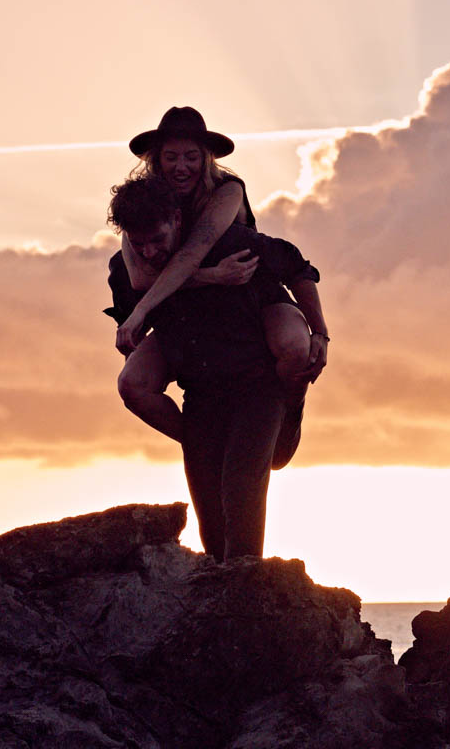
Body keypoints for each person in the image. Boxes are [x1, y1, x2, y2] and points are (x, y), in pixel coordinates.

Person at [105, 174, 321, 562]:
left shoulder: (231, 242)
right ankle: (221, 597)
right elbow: (131, 321)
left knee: (240, 492)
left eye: (158, 239)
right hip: (201, 394)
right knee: (210, 517)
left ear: (176, 219)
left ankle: (248, 590)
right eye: (140, 244)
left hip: (258, 385)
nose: (150, 252)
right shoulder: (128, 268)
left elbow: (297, 267)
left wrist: (320, 334)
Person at [113, 106, 328, 467]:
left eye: (192, 157)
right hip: (190, 308)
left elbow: (194, 253)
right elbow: (139, 277)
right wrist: (212, 277)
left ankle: (291, 410)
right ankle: (202, 441)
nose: (181, 167)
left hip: (253, 289)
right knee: (131, 384)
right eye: (171, 157)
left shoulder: (227, 191)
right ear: (156, 160)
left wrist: (320, 333)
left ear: (206, 158)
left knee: (294, 347)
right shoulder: (144, 206)